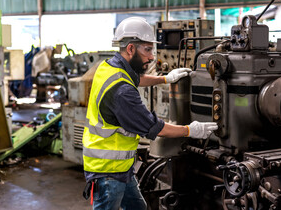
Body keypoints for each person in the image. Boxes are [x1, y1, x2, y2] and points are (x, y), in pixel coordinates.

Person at [82, 17, 218, 210]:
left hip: (122, 168)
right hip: (108, 173)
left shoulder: (109, 67)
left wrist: (165, 79)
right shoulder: (122, 93)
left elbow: (134, 79)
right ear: (130, 49)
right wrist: (191, 130)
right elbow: (154, 128)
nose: (152, 56)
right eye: (147, 50)